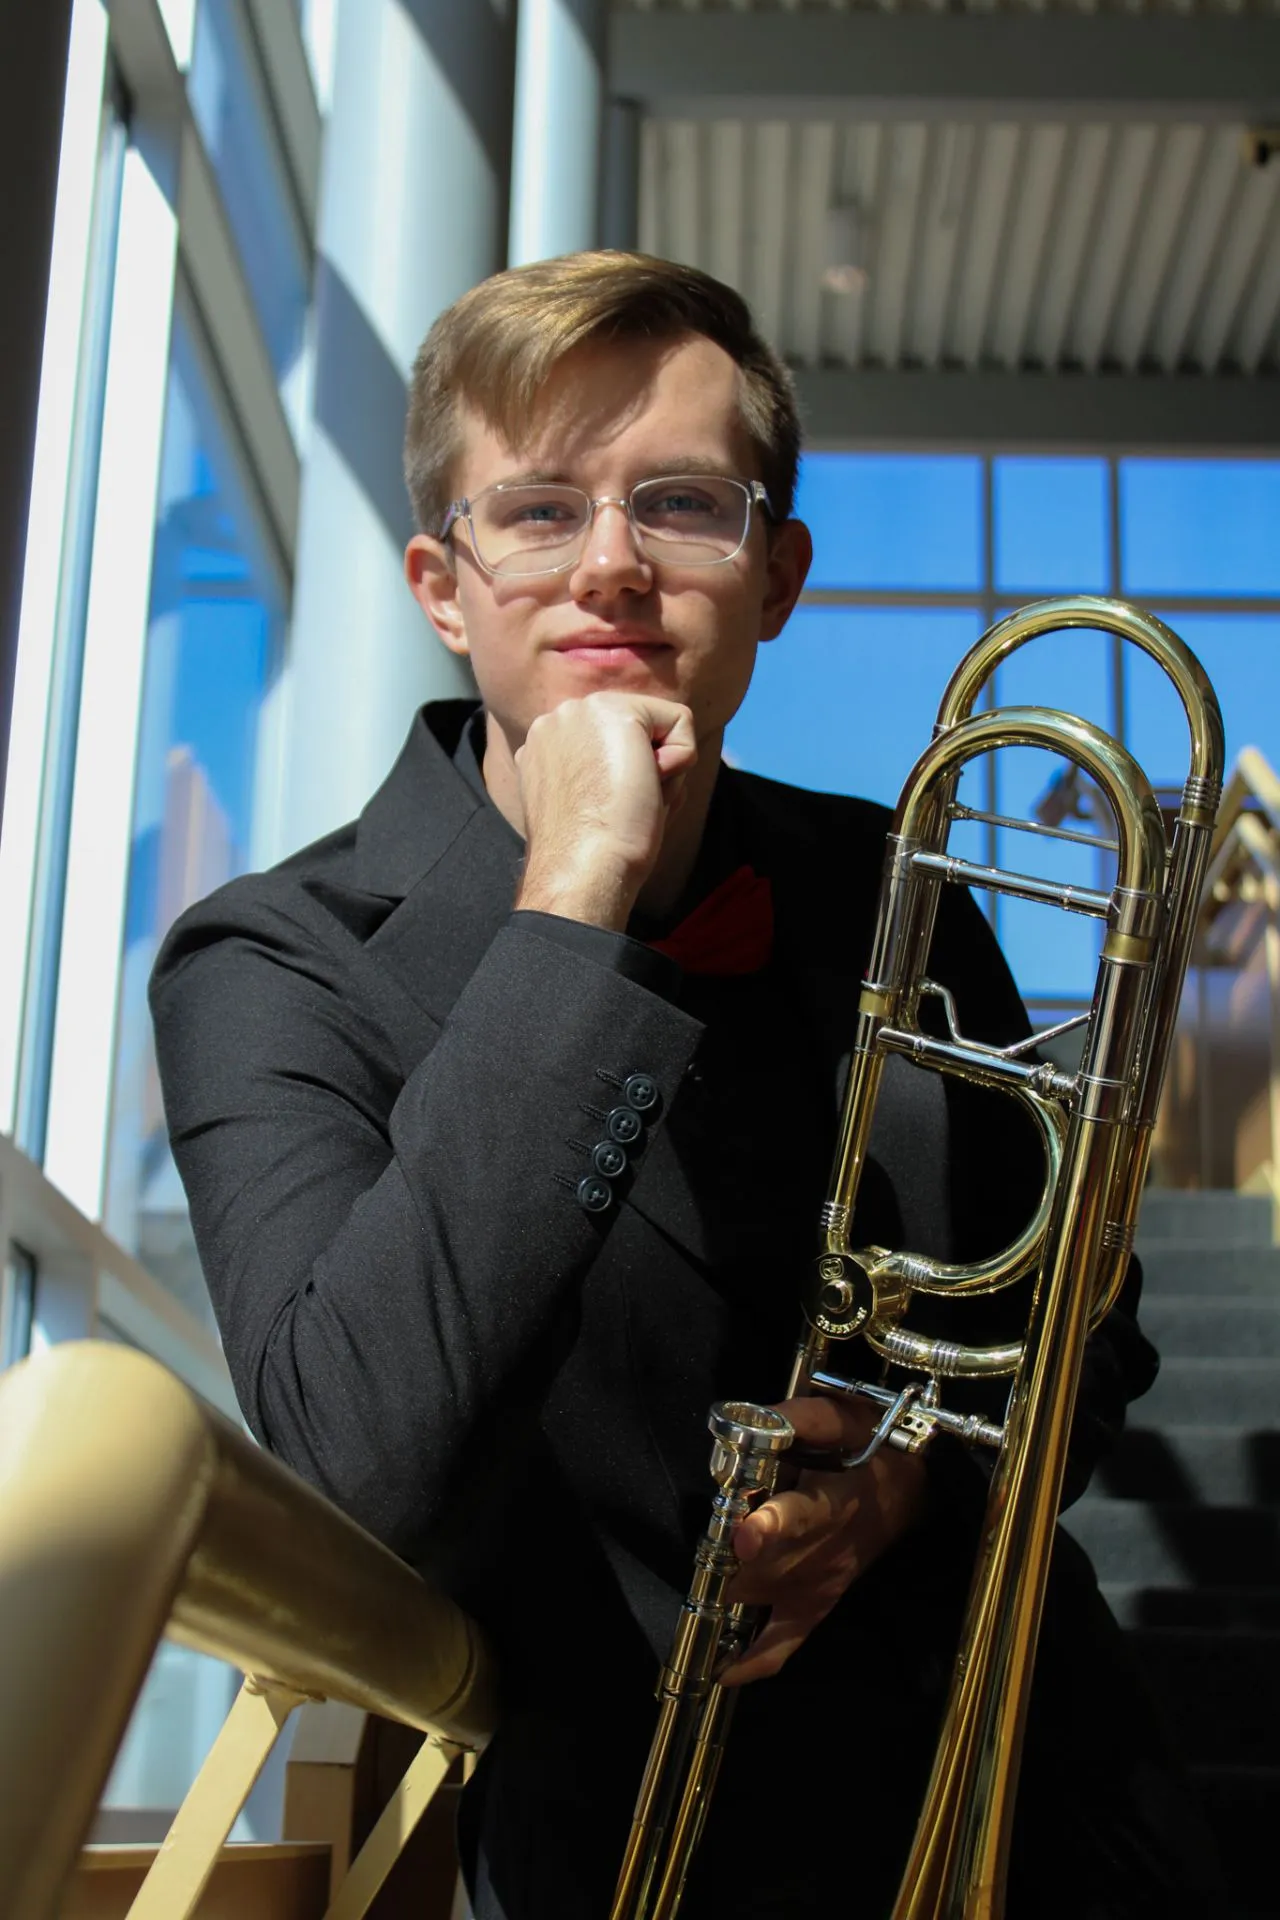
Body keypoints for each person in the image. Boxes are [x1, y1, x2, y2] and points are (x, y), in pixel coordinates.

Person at [151, 251, 1220, 1918]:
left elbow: (1093, 1334)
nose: (612, 569)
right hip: (637, 1851)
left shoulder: (895, 879)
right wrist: (573, 893)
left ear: (778, 574)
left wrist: (906, 1483)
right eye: (539, 511)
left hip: (1047, 1809)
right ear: (444, 586)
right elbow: (356, 1471)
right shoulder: (273, 961)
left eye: (682, 505)